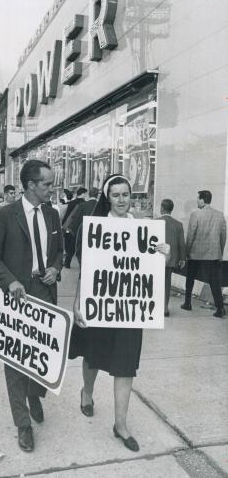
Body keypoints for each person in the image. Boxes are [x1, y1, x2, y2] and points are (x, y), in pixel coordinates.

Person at [70, 174, 169, 453]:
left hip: (128, 312)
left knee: (125, 365)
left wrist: (164, 252)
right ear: (107, 198)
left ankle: (121, 425)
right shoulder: (95, 229)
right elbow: (85, 271)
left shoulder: (143, 230)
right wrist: (78, 303)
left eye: (126, 194)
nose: (123, 200)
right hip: (99, 306)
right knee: (92, 358)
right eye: (116, 195)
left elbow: (150, 270)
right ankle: (86, 393)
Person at [0, 159, 63, 453]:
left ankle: (34, 392)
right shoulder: (6, 215)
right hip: (15, 295)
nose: (51, 190)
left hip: (45, 291)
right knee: (16, 359)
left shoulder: (52, 215)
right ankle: (23, 425)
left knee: (43, 353)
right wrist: (10, 282)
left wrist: (56, 268)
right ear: (31, 185)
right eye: (47, 184)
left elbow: (60, 252)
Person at [181, 190, 226, 318]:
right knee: (215, 282)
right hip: (213, 254)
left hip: (196, 253)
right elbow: (223, 236)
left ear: (202, 200)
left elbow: (190, 236)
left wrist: (186, 251)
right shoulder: (220, 215)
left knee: (190, 279)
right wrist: (220, 252)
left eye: (198, 199)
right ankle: (220, 308)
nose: (197, 201)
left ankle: (187, 303)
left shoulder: (195, 215)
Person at [157, 199, 186, 317]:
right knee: (167, 284)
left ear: (162, 208)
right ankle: (165, 309)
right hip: (170, 259)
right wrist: (182, 259)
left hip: (156, 258)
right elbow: (181, 244)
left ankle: (154, 307)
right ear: (171, 209)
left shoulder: (155, 222)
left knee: (155, 283)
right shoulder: (178, 225)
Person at [62, 187, 87, 268]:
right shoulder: (85, 203)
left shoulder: (72, 203)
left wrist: (64, 225)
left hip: (71, 227)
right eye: (85, 194)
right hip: (82, 226)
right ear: (83, 194)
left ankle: (67, 262)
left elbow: (67, 214)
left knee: (70, 245)